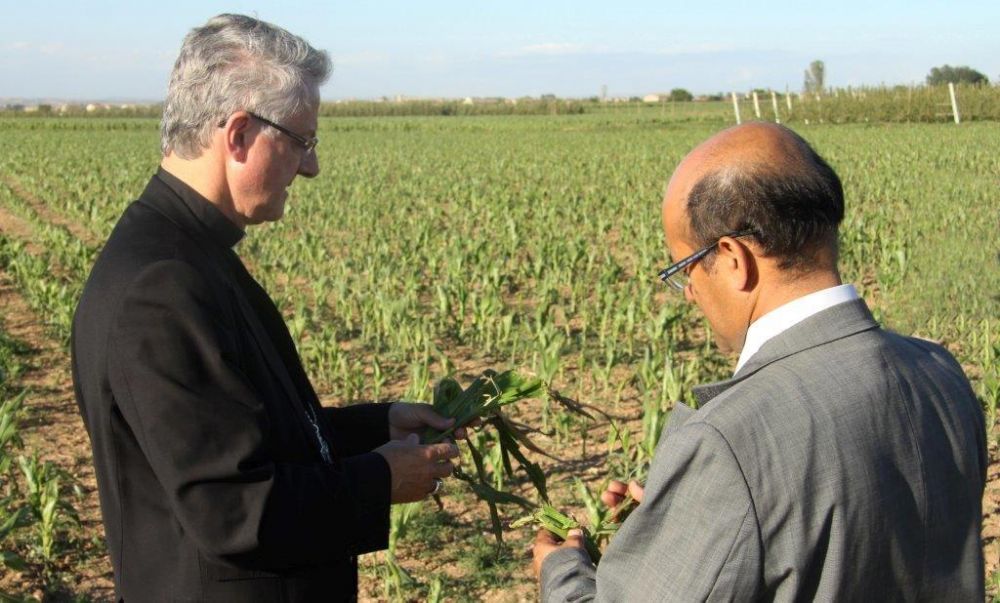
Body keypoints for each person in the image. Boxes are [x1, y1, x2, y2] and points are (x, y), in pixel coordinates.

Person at [71, 14, 461, 602]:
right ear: (239, 135)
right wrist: (381, 479)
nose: (310, 167)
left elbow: (246, 436)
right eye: (302, 141)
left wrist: (377, 425)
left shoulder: (189, 255)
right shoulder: (163, 286)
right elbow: (231, 508)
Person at [533, 122, 987, 600]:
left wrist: (562, 571)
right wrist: (684, 523)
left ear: (733, 258)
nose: (688, 293)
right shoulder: (939, 371)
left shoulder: (728, 439)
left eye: (683, 269)